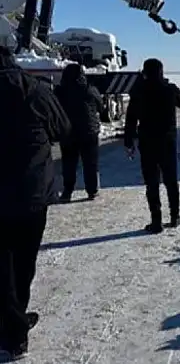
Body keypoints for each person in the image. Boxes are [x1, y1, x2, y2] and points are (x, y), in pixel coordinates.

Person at [0, 46, 71, 360]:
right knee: (24, 261)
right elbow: (62, 128)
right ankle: (15, 330)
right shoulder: (35, 89)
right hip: (31, 194)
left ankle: (13, 320)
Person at [124, 58, 180, 234]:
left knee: (151, 182)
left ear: (145, 72)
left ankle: (156, 221)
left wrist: (128, 142)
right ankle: (175, 216)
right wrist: (171, 89)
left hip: (147, 142)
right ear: (161, 71)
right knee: (170, 180)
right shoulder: (169, 89)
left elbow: (130, 119)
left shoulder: (138, 91)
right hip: (168, 142)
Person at [54, 63, 105, 202]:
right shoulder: (90, 89)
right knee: (90, 163)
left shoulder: (60, 91)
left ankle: (67, 191)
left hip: (68, 132)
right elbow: (101, 107)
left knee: (69, 163)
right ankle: (92, 190)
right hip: (89, 132)